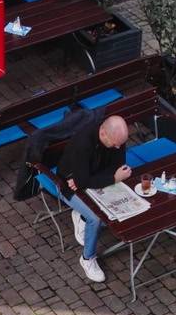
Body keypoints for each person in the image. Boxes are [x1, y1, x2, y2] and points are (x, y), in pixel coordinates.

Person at [55, 113, 133, 283]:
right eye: (114, 144)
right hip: (66, 185)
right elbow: (83, 182)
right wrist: (112, 178)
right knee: (96, 218)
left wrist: (92, 180)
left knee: (121, 201)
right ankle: (87, 258)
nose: (118, 148)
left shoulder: (117, 140)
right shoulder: (83, 143)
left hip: (91, 179)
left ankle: (80, 215)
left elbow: (117, 166)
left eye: (120, 144)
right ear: (103, 133)